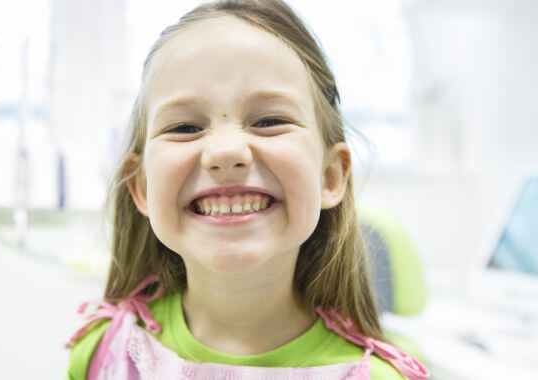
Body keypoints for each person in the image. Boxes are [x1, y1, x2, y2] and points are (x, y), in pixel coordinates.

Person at [65, 0, 429, 379]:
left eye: (270, 120)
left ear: (330, 176)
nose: (226, 151)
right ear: (141, 185)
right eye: (185, 128)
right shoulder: (101, 356)